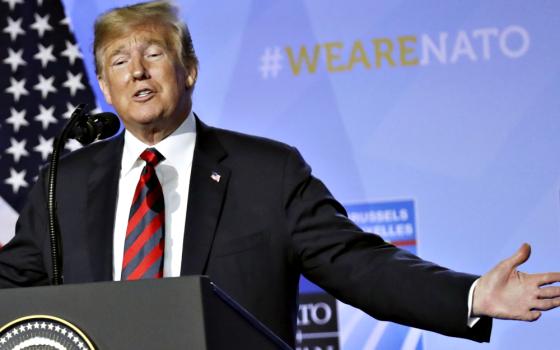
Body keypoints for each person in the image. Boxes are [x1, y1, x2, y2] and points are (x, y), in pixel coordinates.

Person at [0, 0, 559, 347]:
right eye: (119, 61)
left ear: (189, 70)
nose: (138, 71)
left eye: (154, 54)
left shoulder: (266, 172)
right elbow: (13, 287)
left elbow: (359, 263)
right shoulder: (65, 182)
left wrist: (469, 295)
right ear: (104, 83)